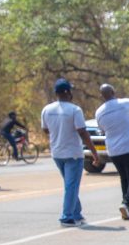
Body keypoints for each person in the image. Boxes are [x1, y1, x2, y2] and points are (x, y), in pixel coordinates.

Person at [41, 79, 98, 226]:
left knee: (70, 185)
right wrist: (94, 152)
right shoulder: (74, 110)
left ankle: (76, 214)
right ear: (67, 92)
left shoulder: (47, 109)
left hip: (57, 152)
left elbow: (46, 129)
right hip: (73, 153)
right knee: (71, 186)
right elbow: (83, 132)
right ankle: (67, 217)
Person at [95, 83, 129, 219]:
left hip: (114, 150)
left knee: (124, 177)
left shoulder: (99, 112)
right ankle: (126, 202)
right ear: (113, 91)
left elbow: (102, 128)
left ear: (101, 96)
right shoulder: (124, 103)